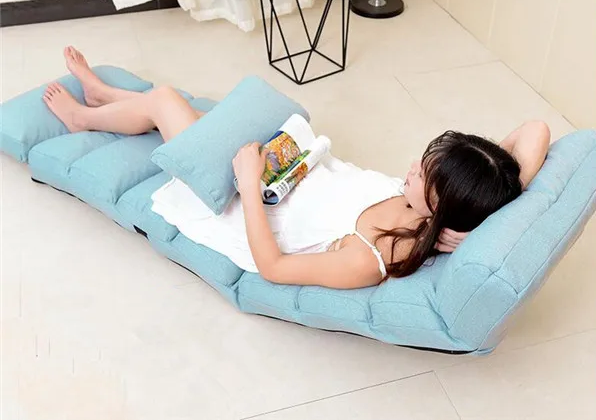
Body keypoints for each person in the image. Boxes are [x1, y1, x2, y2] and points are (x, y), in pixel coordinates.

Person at [44, 46, 551, 289]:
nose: (412, 168)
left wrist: (247, 184)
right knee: (183, 109)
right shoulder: (441, 210)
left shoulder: (370, 256)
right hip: (283, 166)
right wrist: (493, 198)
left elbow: (275, 268)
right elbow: (535, 130)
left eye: (423, 175)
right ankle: (107, 95)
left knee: (165, 101)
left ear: (439, 206)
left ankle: (84, 116)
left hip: (235, 195)